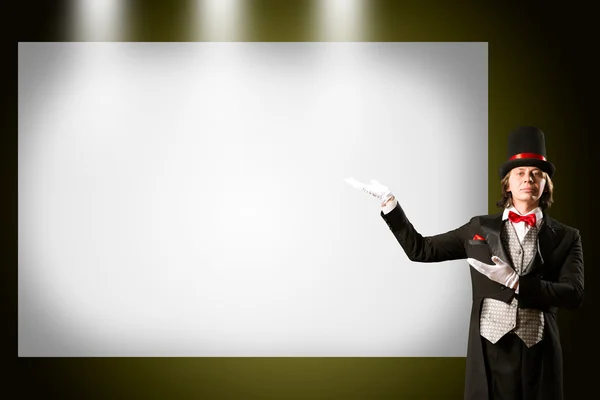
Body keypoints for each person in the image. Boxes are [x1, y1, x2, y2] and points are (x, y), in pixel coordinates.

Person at [345, 126, 584, 400]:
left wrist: (518, 283)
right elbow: (421, 249)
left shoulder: (567, 237)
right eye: (519, 173)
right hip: (490, 352)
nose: (527, 179)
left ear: (545, 184)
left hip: (539, 354)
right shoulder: (477, 228)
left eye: (536, 174)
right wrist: (390, 204)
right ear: (508, 183)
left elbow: (574, 294)